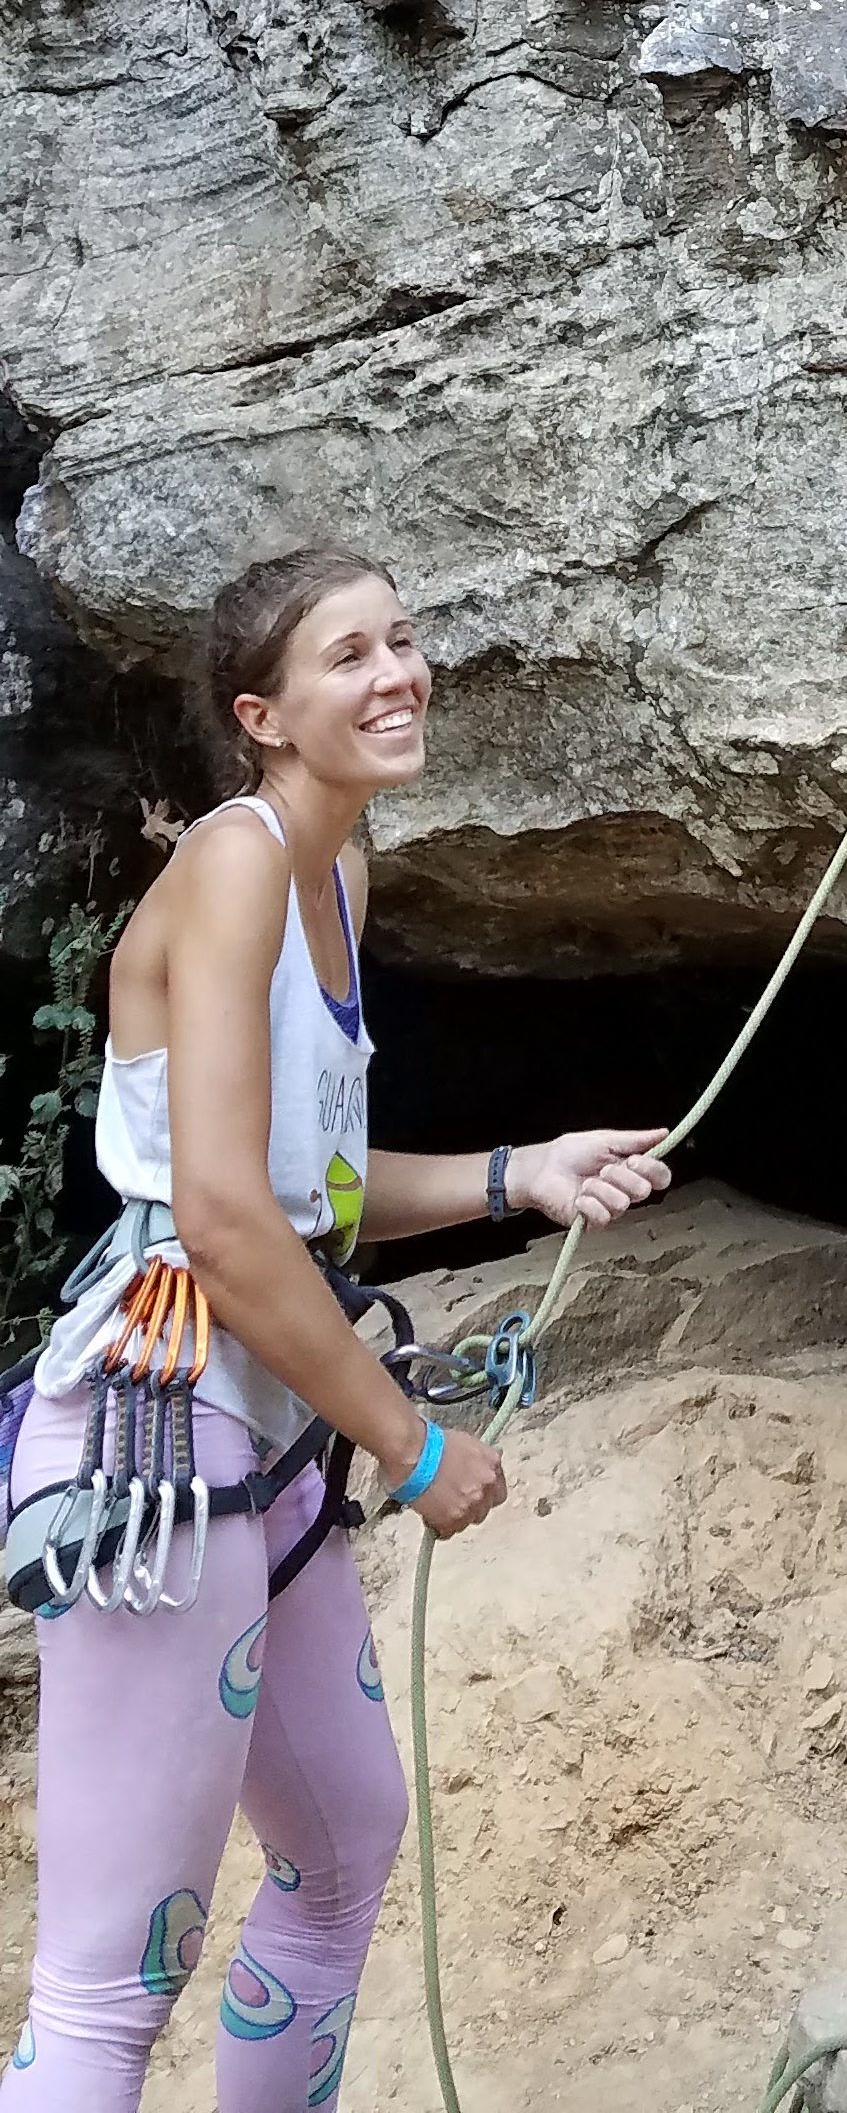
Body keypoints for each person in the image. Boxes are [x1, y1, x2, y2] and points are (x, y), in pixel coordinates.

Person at [1, 542, 670, 2111]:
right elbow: (224, 1222)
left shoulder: (337, 878)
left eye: (403, 640)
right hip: (160, 1426)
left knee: (344, 1845)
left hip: (261, 1424)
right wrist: (412, 1443)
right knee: (114, 1976)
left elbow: (320, 1201)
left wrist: (519, 1172)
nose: (397, 675)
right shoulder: (235, 863)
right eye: (349, 656)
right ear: (264, 717)